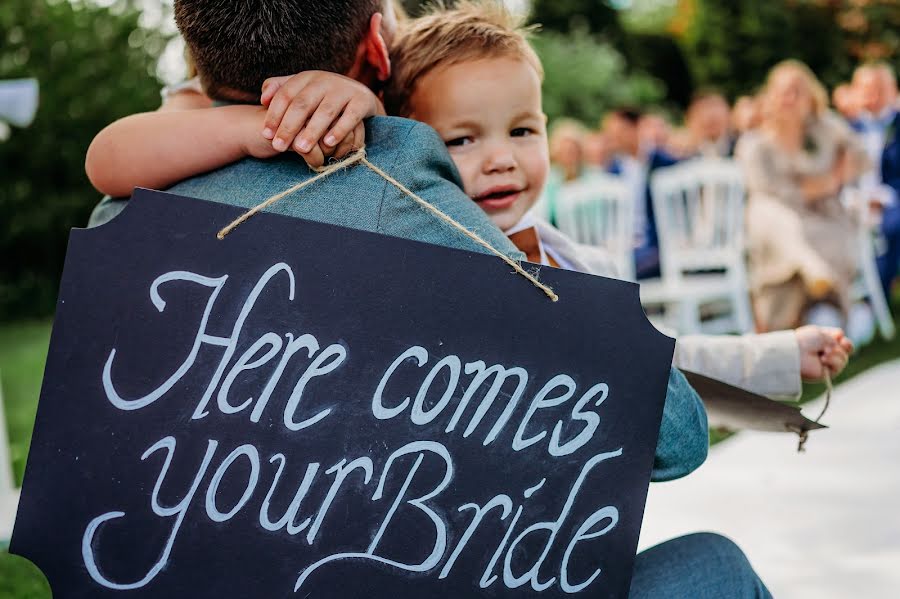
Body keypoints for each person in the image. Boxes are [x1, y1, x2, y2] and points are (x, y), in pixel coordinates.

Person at [83, 3, 726, 596]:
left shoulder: (126, 218)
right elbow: (675, 438)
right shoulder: (411, 202)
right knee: (715, 565)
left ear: (196, 51)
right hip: (429, 558)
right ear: (376, 43)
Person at [736, 60, 870, 333]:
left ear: (811, 98)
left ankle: (820, 312)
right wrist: (818, 186)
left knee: (820, 234)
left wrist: (836, 176)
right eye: (783, 91)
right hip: (775, 225)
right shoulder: (754, 144)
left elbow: (862, 157)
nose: (789, 98)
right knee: (767, 211)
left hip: (823, 217)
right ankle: (806, 288)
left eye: (798, 91)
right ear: (770, 96)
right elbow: (769, 192)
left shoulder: (826, 132)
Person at [603, 108, 679, 280]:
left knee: (620, 272)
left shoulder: (664, 162)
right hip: (624, 246)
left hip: (657, 245)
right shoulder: (612, 171)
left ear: (636, 128)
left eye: (619, 132)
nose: (615, 139)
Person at [849, 63, 900, 298]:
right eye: (867, 89)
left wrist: (882, 198)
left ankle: (877, 295)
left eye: (880, 89)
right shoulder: (846, 128)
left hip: (891, 199)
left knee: (891, 225)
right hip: (853, 201)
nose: (874, 96)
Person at [684, 90, 736, 158]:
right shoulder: (682, 153)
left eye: (716, 108)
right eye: (703, 110)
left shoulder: (741, 147)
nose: (711, 116)